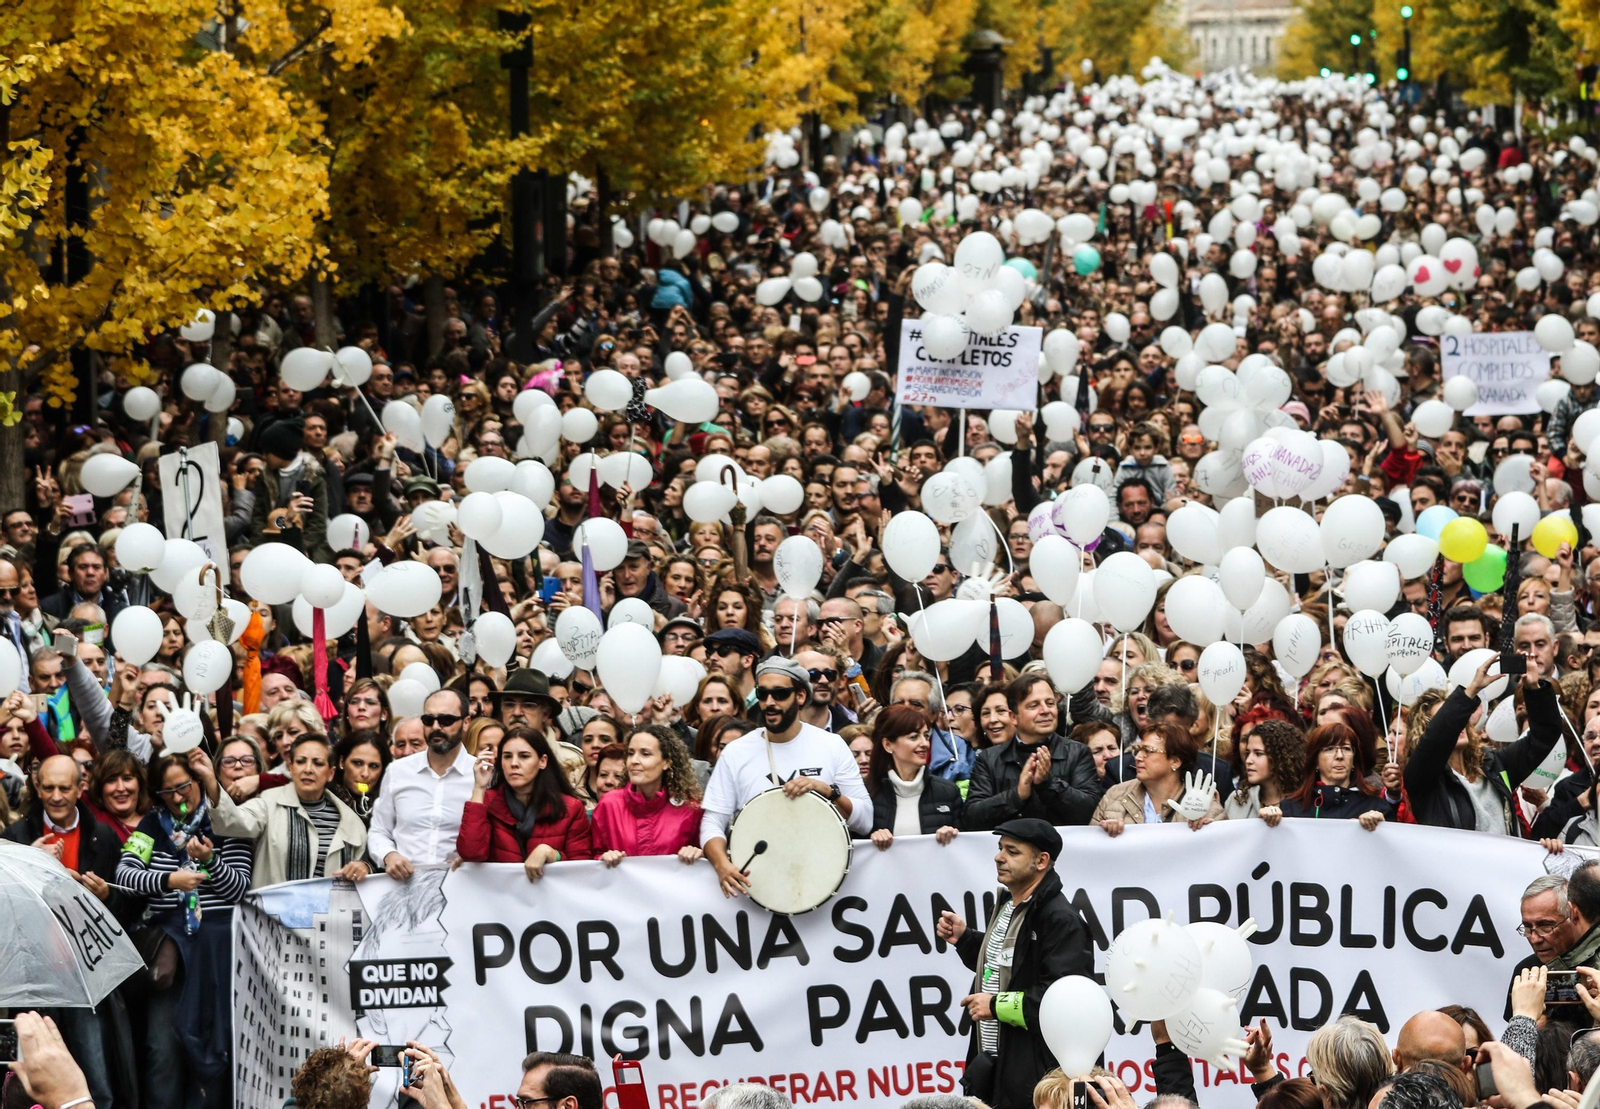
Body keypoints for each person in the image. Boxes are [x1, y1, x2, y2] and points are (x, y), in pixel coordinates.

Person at [115, 752, 253, 1109]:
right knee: (162, 1049)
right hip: (172, 953)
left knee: (215, 1047)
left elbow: (238, 888)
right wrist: (168, 880)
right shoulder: (151, 824)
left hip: (219, 953)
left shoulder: (226, 817)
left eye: (184, 787)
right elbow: (124, 876)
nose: (177, 798)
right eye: (167, 792)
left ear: (199, 781)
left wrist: (210, 861)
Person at [934, 818, 1093, 1109]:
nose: (999, 857)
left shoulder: (1061, 919)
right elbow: (1010, 965)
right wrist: (966, 939)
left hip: (1034, 1078)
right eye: (999, 848)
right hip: (998, 1068)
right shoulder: (1010, 905)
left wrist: (994, 1005)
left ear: (1042, 861)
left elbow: (1063, 1003)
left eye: (1012, 851)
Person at [700, 657, 871, 898]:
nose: (769, 702)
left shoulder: (831, 745)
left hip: (823, 883)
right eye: (763, 693)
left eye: (779, 694)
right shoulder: (736, 752)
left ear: (800, 696)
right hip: (758, 887)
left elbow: (865, 821)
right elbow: (712, 822)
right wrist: (722, 865)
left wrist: (828, 791)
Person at [1403, 659, 1560, 835]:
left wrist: (1533, 689)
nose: (1458, 723)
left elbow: (1545, 736)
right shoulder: (1423, 779)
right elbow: (1436, 739)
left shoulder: (1494, 764)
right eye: (1449, 717)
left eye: (1460, 717)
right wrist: (1471, 690)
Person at [196, 738, 371, 886]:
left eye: (317, 763)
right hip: (275, 922)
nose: (308, 769)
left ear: (331, 773)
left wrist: (365, 867)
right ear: (290, 767)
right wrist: (210, 779)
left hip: (331, 920)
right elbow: (230, 822)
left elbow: (365, 870)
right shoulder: (268, 802)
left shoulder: (351, 822)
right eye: (301, 761)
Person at [965, 674, 1103, 829]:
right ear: (1013, 717)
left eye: (1050, 703)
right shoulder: (989, 759)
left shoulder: (1078, 753)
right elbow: (972, 817)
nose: (1045, 710)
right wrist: (1016, 796)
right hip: (1006, 850)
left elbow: (1091, 812)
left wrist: (1048, 784)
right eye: (1034, 705)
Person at [457, 725, 593, 879]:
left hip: (551, 899)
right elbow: (471, 852)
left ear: (542, 761)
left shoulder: (570, 808)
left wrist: (552, 854)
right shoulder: (487, 801)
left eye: (524, 756)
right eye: (507, 756)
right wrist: (479, 787)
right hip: (500, 898)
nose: (514, 763)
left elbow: (582, 870)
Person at [369, 688, 474, 880]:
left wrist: (473, 860)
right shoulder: (398, 771)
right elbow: (379, 830)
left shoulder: (481, 774)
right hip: (403, 887)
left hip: (461, 888)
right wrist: (389, 856)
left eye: (446, 720)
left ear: (466, 723)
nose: (436, 727)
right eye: (428, 720)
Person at [591, 724, 703, 865]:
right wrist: (603, 858)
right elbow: (592, 858)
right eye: (631, 753)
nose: (634, 761)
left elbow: (706, 861)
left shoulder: (690, 809)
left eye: (645, 754)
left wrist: (697, 853)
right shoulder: (609, 804)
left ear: (666, 762)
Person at [1092, 722, 1223, 834]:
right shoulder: (1115, 794)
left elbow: (1223, 853)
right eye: (1138, 750)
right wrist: (1104, 833)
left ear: (1175, 761)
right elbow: (1091, 848)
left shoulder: (1203, 804)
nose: (1137, 757)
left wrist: (1207, 831)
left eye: (1148, 751)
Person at [864, 704, 962, 849]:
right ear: (888, 745)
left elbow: (965, 849)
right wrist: (871, 839)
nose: (924, 743)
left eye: (926, 735)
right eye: (914, 737)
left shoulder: (948, 791)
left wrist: (954, 836)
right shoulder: (867, 793)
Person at [1270, 722, 1394, 828]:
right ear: (1316, 761)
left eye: (1346, 749)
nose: (1339, 756)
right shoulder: (1291, 808)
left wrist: (1381, 827)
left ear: (1353, 761)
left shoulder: (1376, 807)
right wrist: (1267, 822)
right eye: (1329, 749)